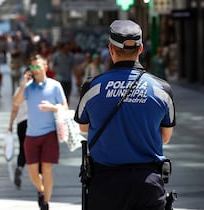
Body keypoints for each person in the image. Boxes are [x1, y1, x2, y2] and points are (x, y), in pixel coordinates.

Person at [74, 20, 176, 210]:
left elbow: (83, 127)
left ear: (111, 49)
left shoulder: (92, 87)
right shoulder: (162, 89)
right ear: (141, 49)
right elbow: (165, 137)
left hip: (105, 186)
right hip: (148, 185)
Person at [13, 54, 68, 210]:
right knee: (32, 171)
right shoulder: (28, 87)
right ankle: (41, 190)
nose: (35, 69)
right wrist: (24, 84)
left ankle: (45, 203)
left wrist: (51, 107)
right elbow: (16, 103)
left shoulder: (55, 86)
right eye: (32, 67)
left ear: (45, 67)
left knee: (46, 168)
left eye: (38, 66)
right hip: (31, 134)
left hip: (49, 133)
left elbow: (64, 107)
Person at [8, 69, 29, 188]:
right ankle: (39, 173)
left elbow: (14, 109)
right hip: (33, 124)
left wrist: (10, 124)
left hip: (21, 123)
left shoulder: (18, 90)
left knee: (22, 149)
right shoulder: (36, 89)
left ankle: (20, 167)